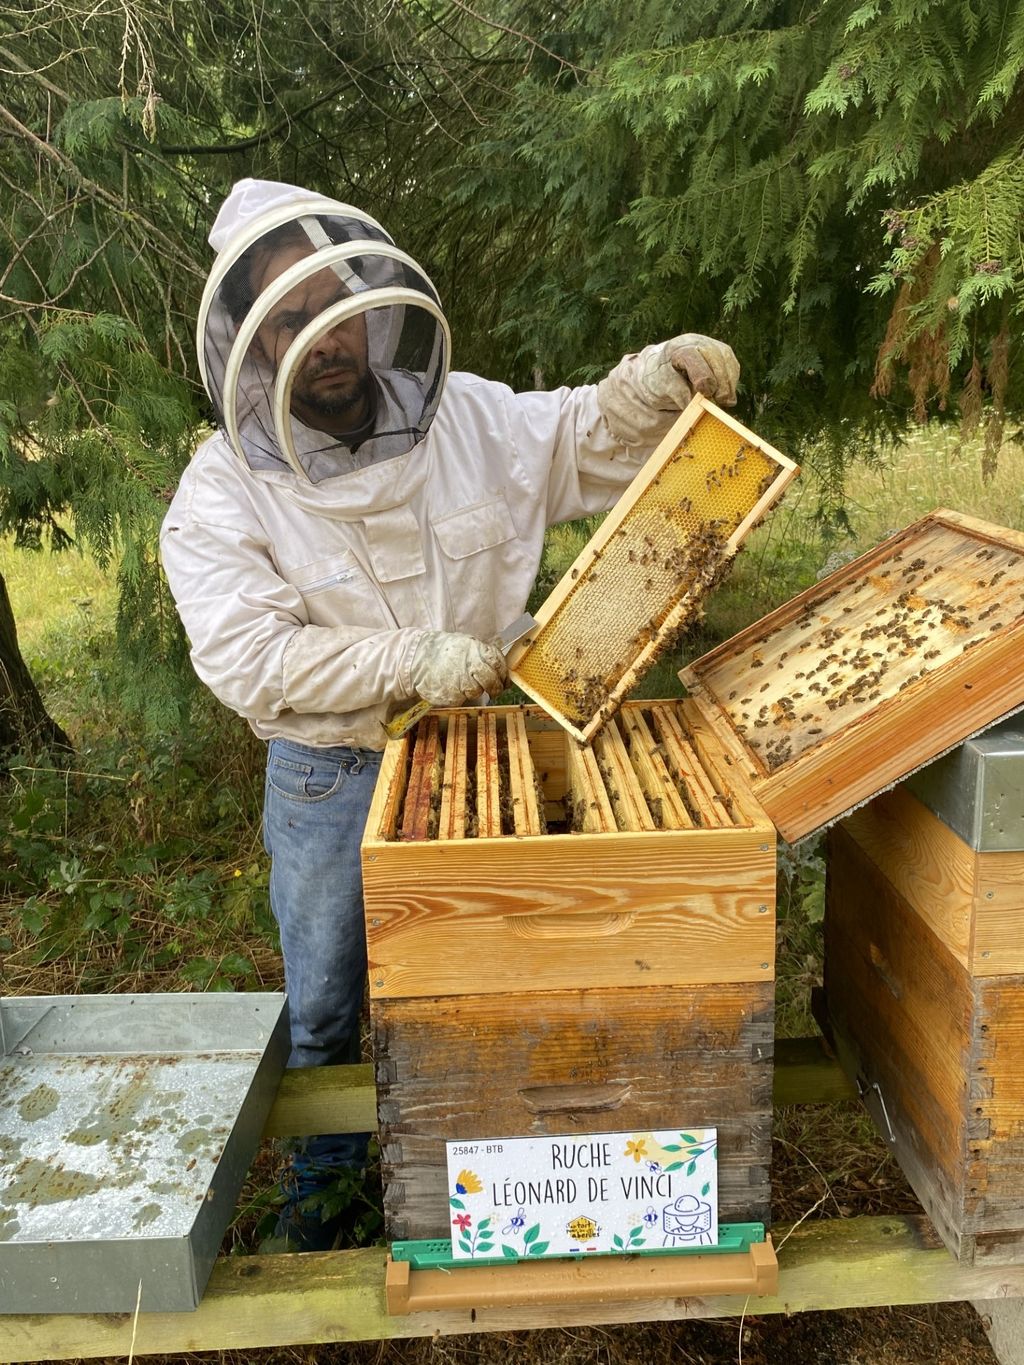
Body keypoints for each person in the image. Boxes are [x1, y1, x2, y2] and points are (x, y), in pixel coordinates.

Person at [160, 178, 740, 1251]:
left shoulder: (465, 414)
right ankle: (328, 1205)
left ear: (374, 300)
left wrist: (653, 382)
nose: (320, 338)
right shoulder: (222, 491)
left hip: (491, 750)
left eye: (331, 303)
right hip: (333, 772)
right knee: (330, 1009)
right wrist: (412, 656)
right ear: (246, 337)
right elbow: (246, 657)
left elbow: (578, 440)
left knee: (491, 980)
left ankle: (492, 1175)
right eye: (287, 318)